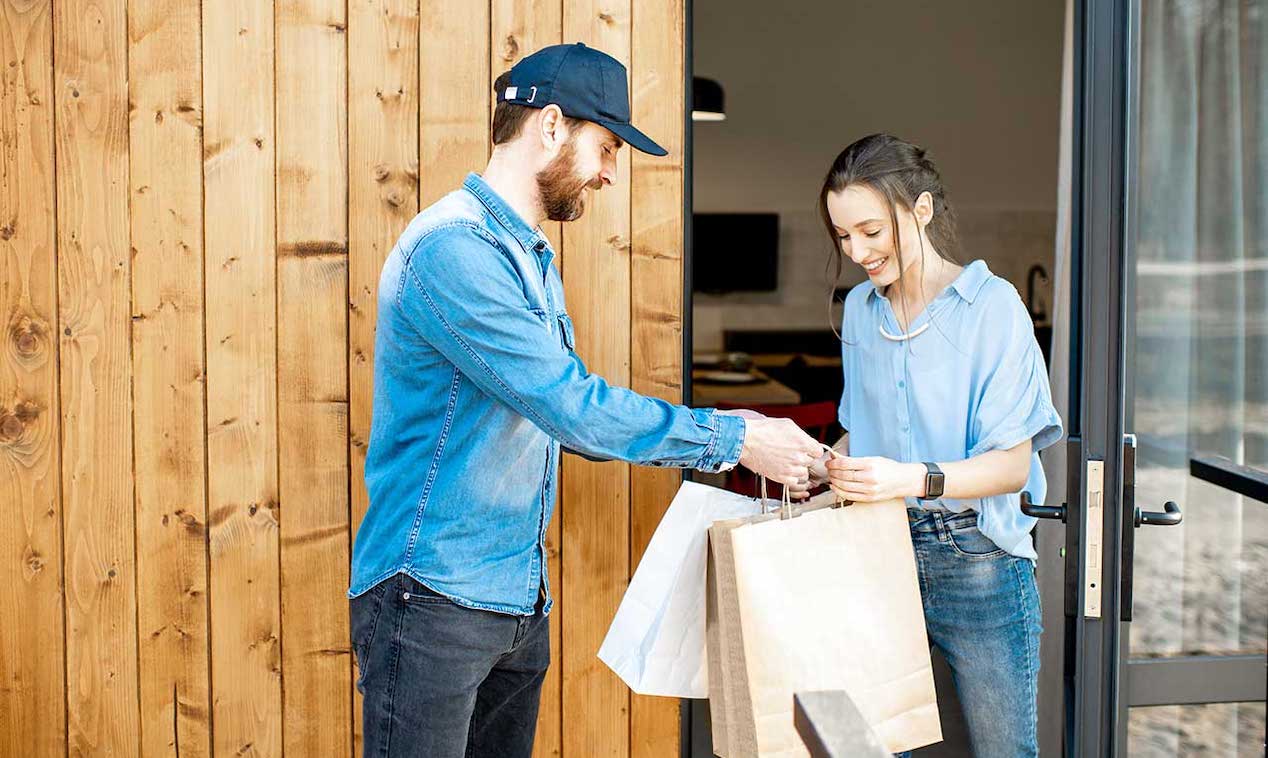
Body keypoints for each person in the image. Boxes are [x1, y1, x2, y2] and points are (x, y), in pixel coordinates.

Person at [347, 42, 823, 758]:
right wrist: (734, 439)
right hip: (434, 599)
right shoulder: (456, 251)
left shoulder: (527, 257)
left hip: (512, 602)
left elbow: (561, 420)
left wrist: (734, 433)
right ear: (550, 126)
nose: (607, 172)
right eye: (606, 147)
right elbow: (571, 406)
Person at [811, 134, 1063, 757]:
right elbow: (861, 428)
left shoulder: (992, 309)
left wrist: (909, 479)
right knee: (857, 747)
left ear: (921, 210)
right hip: (876, 549)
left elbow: (1010, 466)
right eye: (843, 237)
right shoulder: (863, 312)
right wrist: (820, 462)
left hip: (979, 561)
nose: (857, 252)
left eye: (871, 230)